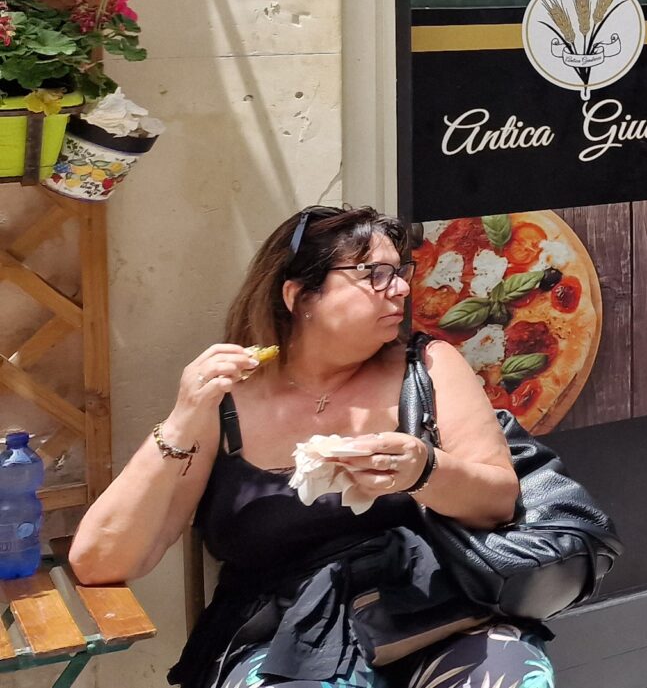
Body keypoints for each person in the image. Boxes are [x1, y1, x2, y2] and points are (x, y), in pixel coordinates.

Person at [71, 207, 538, 688]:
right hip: (278, 636)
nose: (400, 288)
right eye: (374, 274)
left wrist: (424, 471)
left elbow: (499, 501)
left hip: (430, 614)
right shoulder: (226, 398)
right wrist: (180, 421)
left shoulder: (428, 368)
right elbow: (99, 561)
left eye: (400, 271)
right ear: (298, 295)